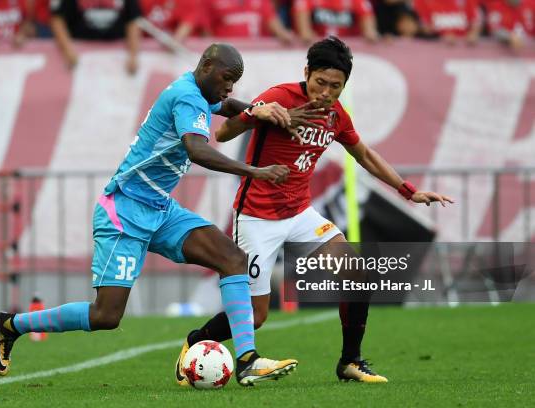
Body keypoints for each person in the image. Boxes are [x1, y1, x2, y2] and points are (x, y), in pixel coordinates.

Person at [0, 43, 326, 387]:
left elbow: (224, 105)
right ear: (207, 66)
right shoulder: (187, 96)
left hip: (159, 209)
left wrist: (260, 111)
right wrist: (253, 171)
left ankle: (247, 359)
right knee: (106, 315)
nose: (230, 87)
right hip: (123, 212)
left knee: (232, 259)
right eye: (227, 78)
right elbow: (197, 149)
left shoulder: (199, 89)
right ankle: (12, 325)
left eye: (235, 81)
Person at [177, 36, 453, 384]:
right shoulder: (279, 97)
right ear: (306, 72)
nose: (325, 92)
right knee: (256, 315)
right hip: (256, 218)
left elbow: (363, 154)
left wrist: (408, 191)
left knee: (356, 273)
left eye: (335, 86)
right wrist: (257, 114)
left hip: (300, 214)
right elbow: (225, 134)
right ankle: (194, 342)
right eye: (320, 82)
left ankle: (350, 362)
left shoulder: (336, 115)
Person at [49, 0, 141, 74]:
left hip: (118, 56)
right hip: (80, 56)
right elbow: (58, 19)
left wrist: (133, 55)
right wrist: (67, 49)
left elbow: (133, 21)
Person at [204, 0, 294, 44]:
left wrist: (284, 34)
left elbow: (273, 22)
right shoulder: (211, 1)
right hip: (226, 57)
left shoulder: (261, 1)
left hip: (254, 56)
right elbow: (206, 31)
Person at [292, 0, 379, 43]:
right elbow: (305, 32)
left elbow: (369, 29)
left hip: (347, 52)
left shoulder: (357, 1)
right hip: (316, 50)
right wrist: (306, 33)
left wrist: (370, 33)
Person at [412, 0, 483, 44]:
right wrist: (441, 36)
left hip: (465, 50)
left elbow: (475, 21)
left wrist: (473, 34)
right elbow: (423, 26)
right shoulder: (422, 1)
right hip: (435, 50)